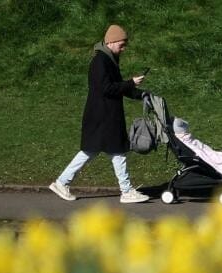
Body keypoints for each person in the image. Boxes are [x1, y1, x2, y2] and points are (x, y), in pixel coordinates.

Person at [49, 24, 150, 203]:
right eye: (122, 44)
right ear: (111, 41)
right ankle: (126, 191)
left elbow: (118, 86)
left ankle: (62, 182)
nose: (124, 48)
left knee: (95, 152)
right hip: (104, 117)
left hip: (102, 117)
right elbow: (107, 88)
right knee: (116, 152)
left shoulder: (108, 59)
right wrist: (131, 83)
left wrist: (139, 93)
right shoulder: (100, 61)